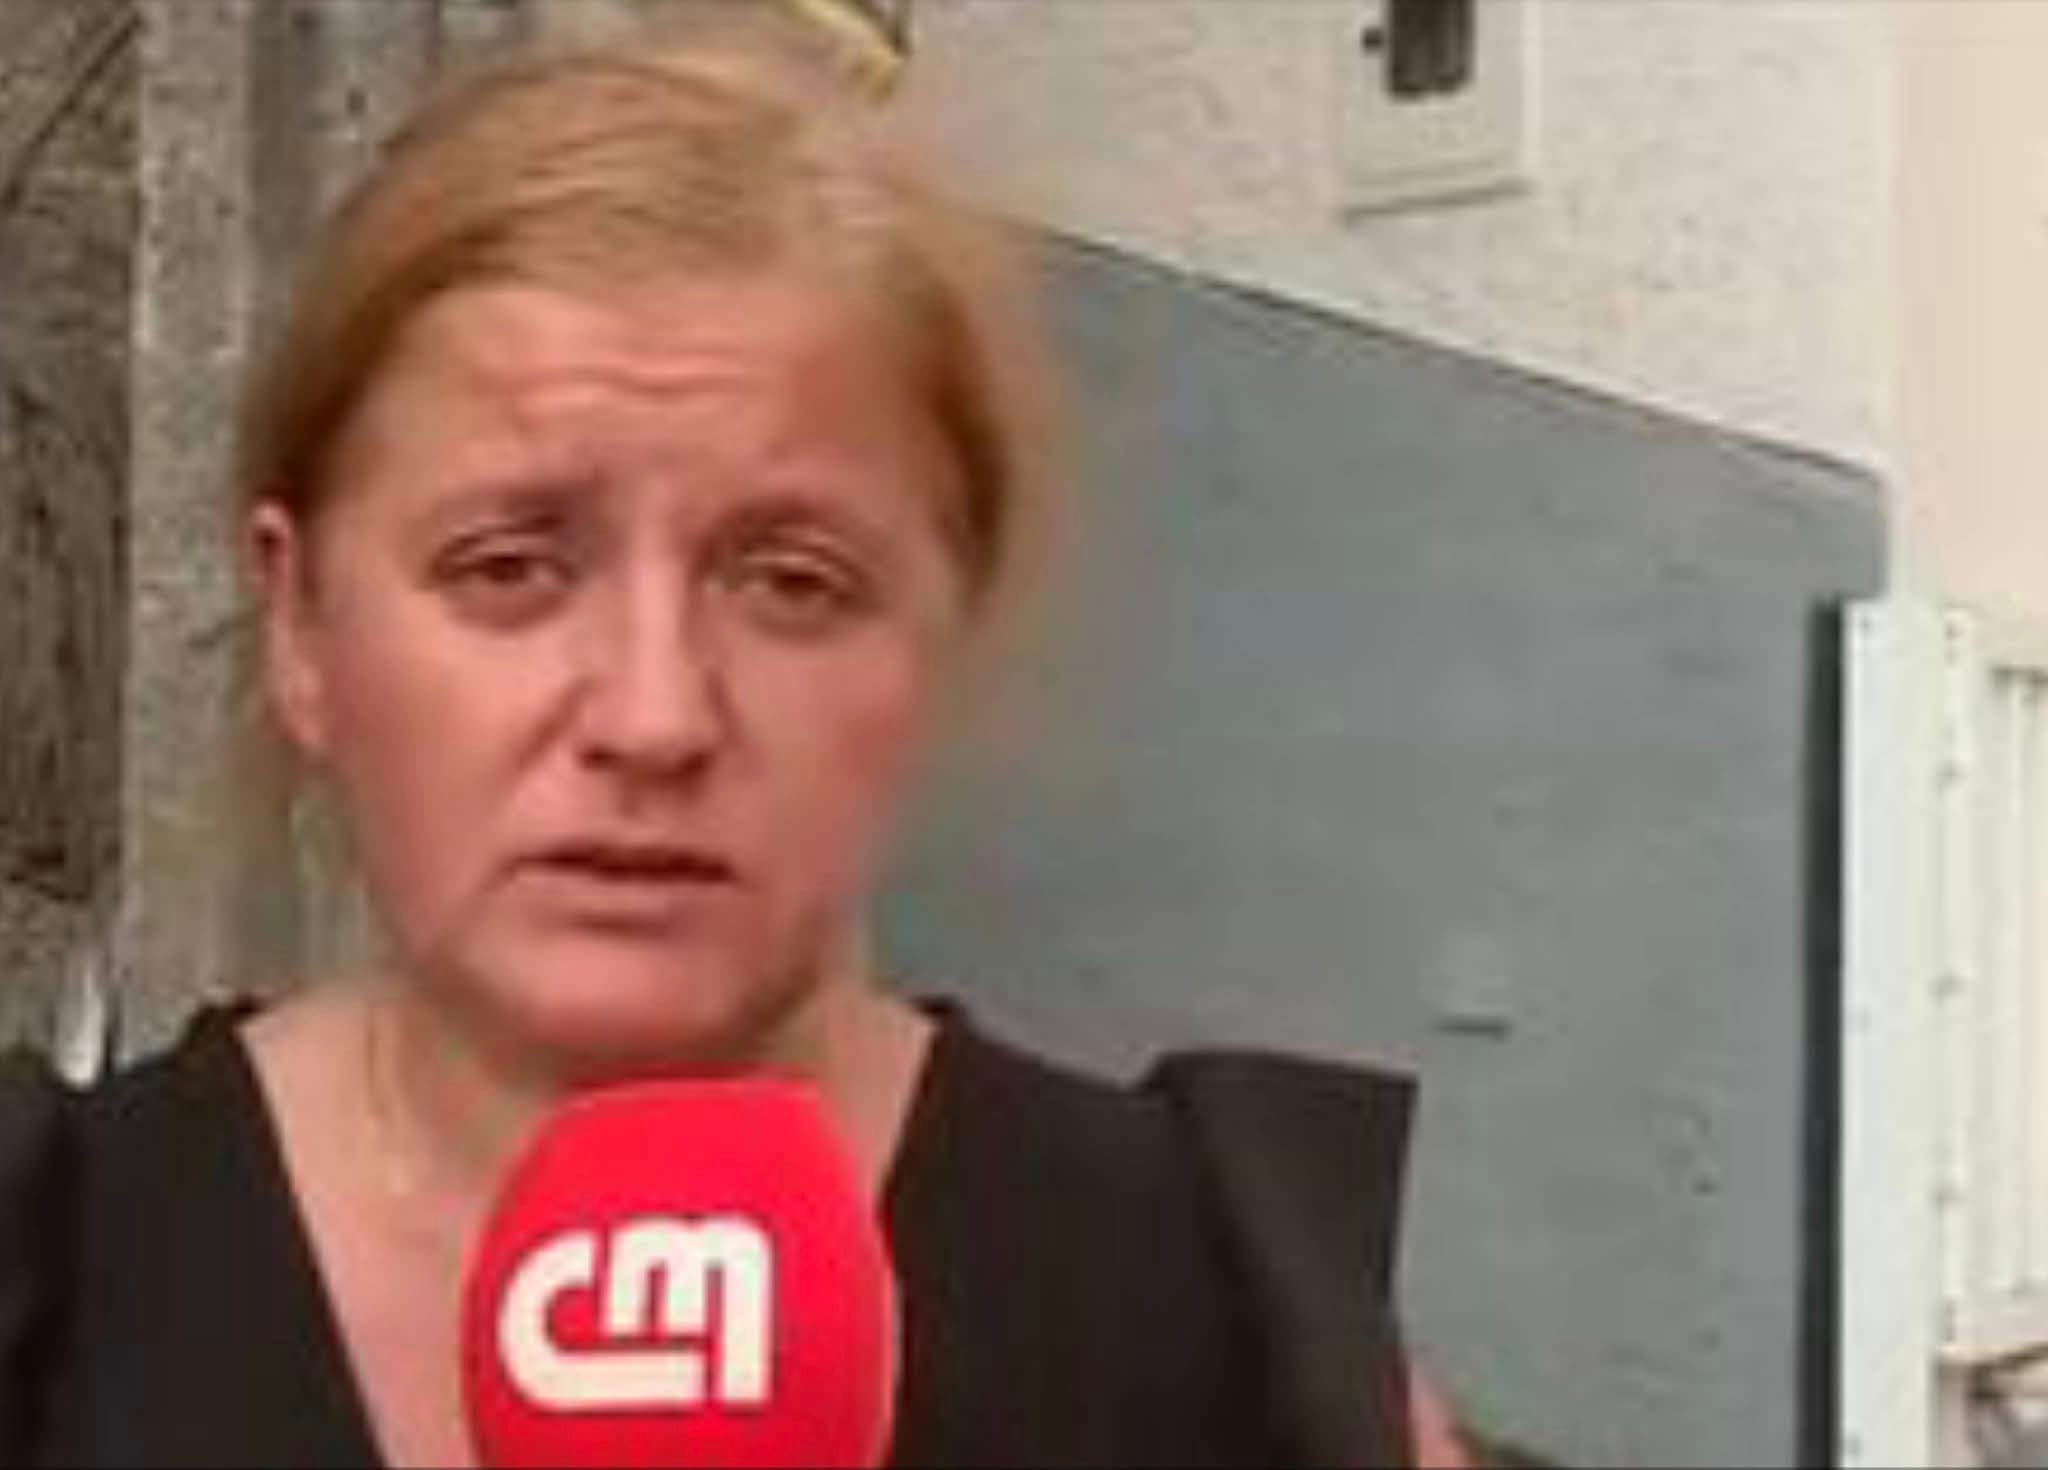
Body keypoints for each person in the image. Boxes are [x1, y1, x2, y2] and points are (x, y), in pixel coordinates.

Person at [0, 17, 1463, 1468]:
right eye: (510, 567)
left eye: (792, 584)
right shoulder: (49, 1268)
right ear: (302, 626)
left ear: (940, 631)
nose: (656, 716)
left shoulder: (1215, 1319)